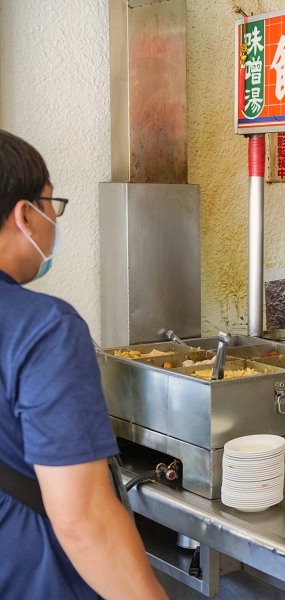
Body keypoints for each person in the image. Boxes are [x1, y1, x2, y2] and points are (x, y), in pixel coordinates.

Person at [0, 131, 167, 600]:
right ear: (23, 215)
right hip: (36, 578)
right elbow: (83, 517)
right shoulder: (43, 329)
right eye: (50, 204)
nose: (53, 217)